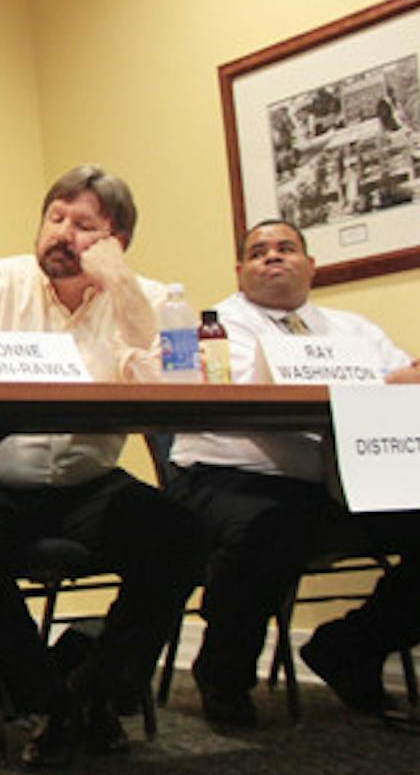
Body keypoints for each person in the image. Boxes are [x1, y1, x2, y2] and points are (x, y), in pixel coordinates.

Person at [0, 165, 202, 767]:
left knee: (182, 535)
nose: (61, 235)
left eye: (84, 226)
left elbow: (174, 393)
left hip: (84, 484)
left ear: (116, 241)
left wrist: (123, 292)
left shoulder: (142, 300)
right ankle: (48, 699)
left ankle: (100, 687)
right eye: (55, 218)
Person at [169, 219, 420, 726]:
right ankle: (223, 674)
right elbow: (251, 396)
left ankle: (349, 647)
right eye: (258, 252)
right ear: (240, 271)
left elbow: (408, 381)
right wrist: (378, 384)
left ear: (310, 266)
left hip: (338, 480)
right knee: (267, 528)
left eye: (286, 248)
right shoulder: (218, 327)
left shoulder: (355, 330)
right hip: (230, 476)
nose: (273, 257)